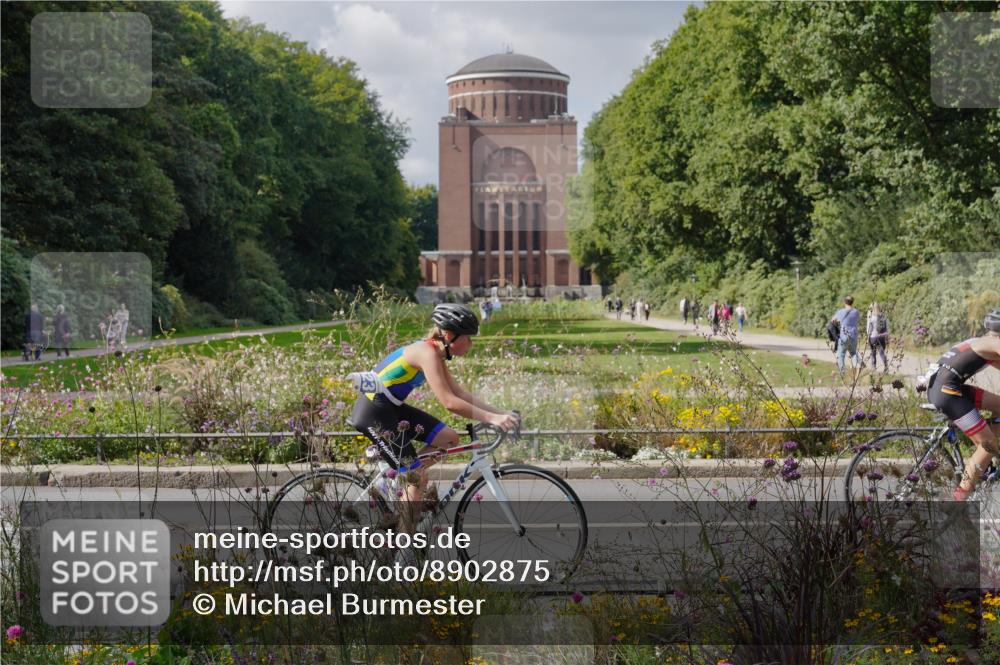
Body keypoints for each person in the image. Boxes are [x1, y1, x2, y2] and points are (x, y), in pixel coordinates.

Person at [349, 304, 520, 539]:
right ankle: (405, 548)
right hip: (374, 413)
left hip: (390, 408)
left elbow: (460, 394)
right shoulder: (425, 352)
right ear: (449, 336)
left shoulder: (437, 354)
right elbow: (449, 402)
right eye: (468, 339)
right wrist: (493, 418)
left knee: (448, 439)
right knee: (417, 477)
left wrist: (501, 414)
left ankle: (396, 474)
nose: (471, 344)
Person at [925, 309, 1000, 501]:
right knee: (987, 445)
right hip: (948, 392)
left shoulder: (981, 341)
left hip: (945, 387)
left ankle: (987, 459)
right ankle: (959, 501)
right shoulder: (994, 343)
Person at [831, 296, 862, 376]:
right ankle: (858, 365)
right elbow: (858, 319)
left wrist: (838, 322)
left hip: (844, 336)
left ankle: (842, 373)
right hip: (854, 335)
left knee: (841, 354)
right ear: (853, 302)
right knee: (853, 353)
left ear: (844, 302)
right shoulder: (856, 312)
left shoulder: (841, 312)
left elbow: (833, 320)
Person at [866, 302, 890, 372]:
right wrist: (887, 337)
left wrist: (868, 337)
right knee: (882, 353)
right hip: (881, 337)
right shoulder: (883, 317)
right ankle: (886, 367)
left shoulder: (871, 318)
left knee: (873, 353)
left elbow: (869, 329)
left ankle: (873, 368)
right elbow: (887, 328)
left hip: (873, 337)